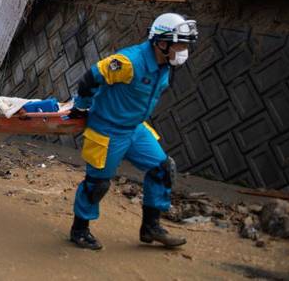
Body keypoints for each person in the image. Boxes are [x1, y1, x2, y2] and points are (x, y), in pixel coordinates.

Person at [68, 13, 198, 251]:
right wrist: (81, 106)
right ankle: (79, 229)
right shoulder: (129, 62)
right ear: (161, 42)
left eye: (186, 45)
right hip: (107, 129)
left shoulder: (164, 65)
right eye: (180, 44)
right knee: (97, 183)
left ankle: (151, 227)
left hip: (135, 129)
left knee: (162, 168)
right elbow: (91, 78)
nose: (183, 50)